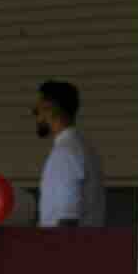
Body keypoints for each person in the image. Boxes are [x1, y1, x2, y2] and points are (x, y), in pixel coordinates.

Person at [34, 80, 106, 228]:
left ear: (51, 109)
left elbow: (68, 218)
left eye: (37, 110)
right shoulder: (85, 148)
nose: (36, 116)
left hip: (67, 248)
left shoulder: (65, 153)